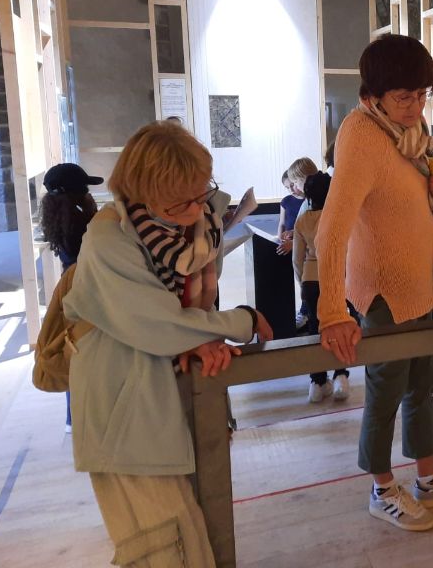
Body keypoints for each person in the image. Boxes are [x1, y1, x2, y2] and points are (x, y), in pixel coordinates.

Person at [63, 121, 273, 567]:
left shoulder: (196, 227)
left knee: (193, 536)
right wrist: (240, 321)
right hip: (126, 418)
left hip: (166, 402)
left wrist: (200, 338)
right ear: (144, 190)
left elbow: (179, 321)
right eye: (181, 202)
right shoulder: (110, 238)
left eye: (201, 195)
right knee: (163, 548)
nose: (196, 211)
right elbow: (160, 324)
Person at [316, 34, 433, 532]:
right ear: (373, 96)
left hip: (418, 284)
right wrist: (332, 312)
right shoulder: (362, 134)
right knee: (385, 391)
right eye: (403, 97)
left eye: (422, 95)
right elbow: (331, 230)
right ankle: (382, 487)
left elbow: (425, 189)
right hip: (383, 291)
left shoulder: (411, 134)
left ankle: (427, 476)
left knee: (421, 385)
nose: (415, 107)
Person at [39, 162, 102, 433]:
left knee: (73, 347)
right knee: (88, 349)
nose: (89, 193)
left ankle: (72, 416)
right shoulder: (82, 222)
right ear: (77, 193)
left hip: (70, 287)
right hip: (87, 287)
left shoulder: (59, 218)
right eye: (85, 188)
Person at [293, 170, 350, 402]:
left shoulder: (302, 221)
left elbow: (297, 259)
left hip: (311, 278)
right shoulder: (339, 217)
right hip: (337, 277)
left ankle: (316, 383)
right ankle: (340, 376)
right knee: (339, 326)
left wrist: (303, 280)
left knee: (315, 330)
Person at [278, 158, 319, 330]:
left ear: (303, 179)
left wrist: (302, 282)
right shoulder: (314, 199)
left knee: (317, 320)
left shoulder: (314, 202)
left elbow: (315, 234)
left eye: (294, 183)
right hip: (319, 271)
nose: (294, 188)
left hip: (314, 271)